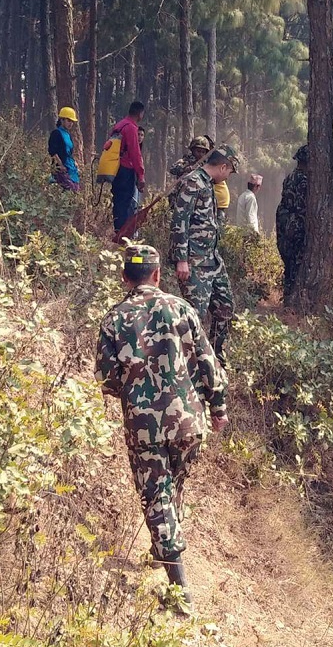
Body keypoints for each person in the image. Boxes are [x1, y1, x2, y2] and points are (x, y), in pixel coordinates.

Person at [95, 243, 227, 609]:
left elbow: (107, 380)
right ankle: (162, 549)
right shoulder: (182, 308)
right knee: (170, 490)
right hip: (188, 422)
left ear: (125, 277)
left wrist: (135, 391)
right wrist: (218, 407)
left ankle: (179, 591)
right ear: (157, 275)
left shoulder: (113, 319)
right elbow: (208, 362)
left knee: (157, 496)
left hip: (144, 427)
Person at [170, 145, 240, 366]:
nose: (228, 176)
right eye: (229, 172)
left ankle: (215, 358)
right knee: (194, 317)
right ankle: (186, 366)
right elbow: (180, 220)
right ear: (222, 166)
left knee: (225, 308)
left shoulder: (207, 184)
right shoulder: (193, 182)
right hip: (194, 262)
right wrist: (181, 259)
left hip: (212, 259)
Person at [276, 145, 309, 299]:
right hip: (295, 225)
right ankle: (291, 297)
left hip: (284, 222)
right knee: (296, 262)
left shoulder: (289, 177)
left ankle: (288, 294)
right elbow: (302, 206)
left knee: (288, 263)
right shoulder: (304, 180)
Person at [108, 102, 146, 232]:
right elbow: (135, 153)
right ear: (140, 114)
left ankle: (118, 230)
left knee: (118, 201)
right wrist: (140, 176)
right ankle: (122, 234)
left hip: (115, 168)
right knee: (125, 202)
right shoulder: (131, 128)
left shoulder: (119, 125)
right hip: (126, 170)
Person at [47, 107, 81, 192]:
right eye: (68, 120)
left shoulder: (68, 135)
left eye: (72, 121)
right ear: (62, 120)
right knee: (69, 189)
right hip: (61, 168)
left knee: (75, 189)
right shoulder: (56, 133)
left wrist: (74, 162)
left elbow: (69, 152)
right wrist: (61, 165)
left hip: (70, 167)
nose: (71, 123)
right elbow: (52, 151)